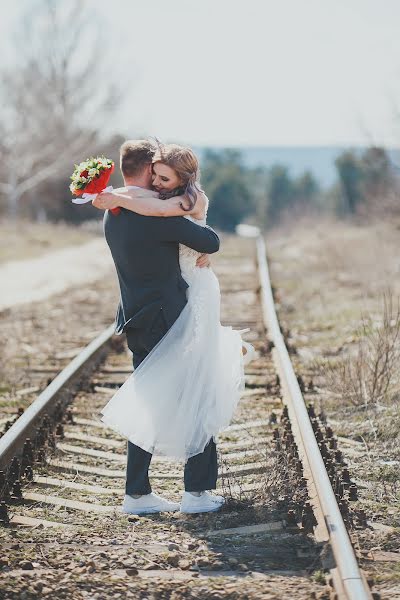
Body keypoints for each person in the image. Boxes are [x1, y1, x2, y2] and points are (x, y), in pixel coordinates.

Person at [95, 139, 224, 516]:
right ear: (150, 171)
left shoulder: (113, 210)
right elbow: (210, 241)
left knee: (149, 403)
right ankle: (197, 493)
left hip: (136, 317)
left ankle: (136, 494)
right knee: (197, 397)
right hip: (169, 319)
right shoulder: (152, 216)